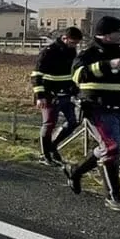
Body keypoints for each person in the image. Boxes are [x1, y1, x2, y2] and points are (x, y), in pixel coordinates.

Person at [67, 16, 120, 212]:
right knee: (110, 149)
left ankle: (76, 171)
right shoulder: (88, 53)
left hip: (118, 110)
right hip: (95, 109)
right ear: (106, 34)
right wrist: (107, 65)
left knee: (110, 150)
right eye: (118, 31)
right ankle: (114, 196)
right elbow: (78, 75)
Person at [31, 25, 83, 169]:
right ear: (64, 38)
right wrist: (40, 96)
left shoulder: (72, 51)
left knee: (74, 121)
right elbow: (36, 76)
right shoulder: (48, 52)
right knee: (49, 124)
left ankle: (52, 146)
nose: (75, 46)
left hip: (66, 94)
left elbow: (71, 73)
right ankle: (44, 155)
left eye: (76, 43)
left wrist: (75, 89)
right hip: (49, 95)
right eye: (73, 42)